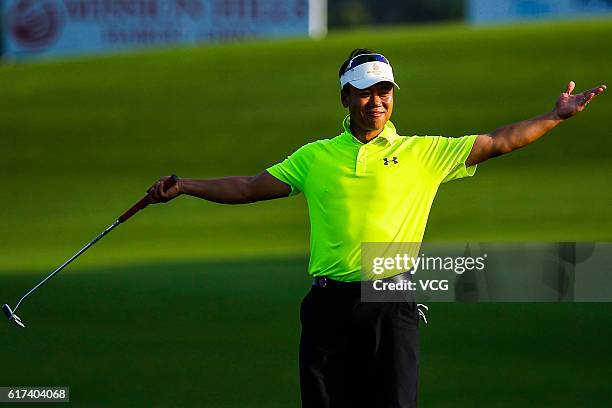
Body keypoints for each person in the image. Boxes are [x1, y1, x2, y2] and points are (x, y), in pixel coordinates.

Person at [146, 49, 606, 408]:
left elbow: (498, 142)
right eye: (365, 92)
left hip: (391, 301)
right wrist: (186, 185)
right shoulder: (315, 156)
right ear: (345, 97)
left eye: (384, 90)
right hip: (328, 305)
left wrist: (554, 117)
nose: (377, 100)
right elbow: (248, 187)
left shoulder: (422, 153)